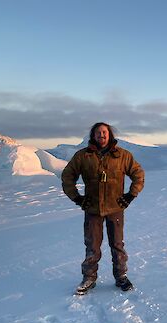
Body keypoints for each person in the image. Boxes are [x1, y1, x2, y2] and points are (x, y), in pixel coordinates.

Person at [61, 122, 145, 294]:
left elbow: (138, 174)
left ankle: (121, 276)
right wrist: (77, 198)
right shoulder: (83, 156)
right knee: (92, 245)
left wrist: (130, 195)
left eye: (104, 132)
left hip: (115, 208)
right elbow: (67, 177)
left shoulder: (122, 155)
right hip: (92, 209)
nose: (102, 135)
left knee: (117, 244)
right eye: (98, 133)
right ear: (93, 135)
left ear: (110, 135)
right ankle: (89, 278)